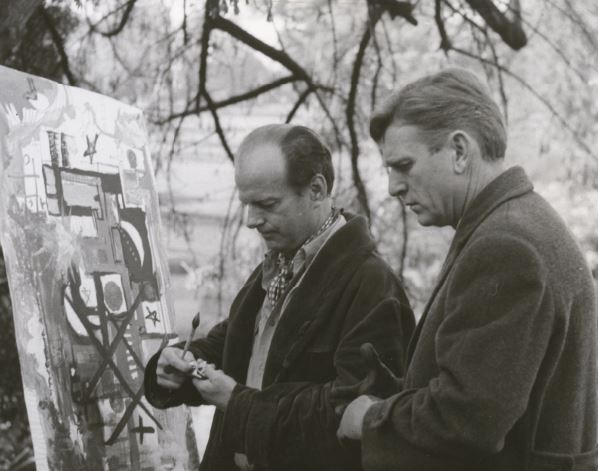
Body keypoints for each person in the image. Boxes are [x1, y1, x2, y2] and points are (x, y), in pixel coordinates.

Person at [337, 68, 598, 471]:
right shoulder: (516, 220)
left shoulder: (505, 245)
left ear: (459, 151)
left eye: (404, 165)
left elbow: (468, 419)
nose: (393, 187)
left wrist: (369, 418)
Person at [144, 124, 415, 471]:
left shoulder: (372, 285)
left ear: (316, 190)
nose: (250, 220)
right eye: (246, 204)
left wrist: (238, 404)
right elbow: (234, 347)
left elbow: (355, 415)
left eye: (266, 204)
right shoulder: (279, 262)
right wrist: (179, 365)